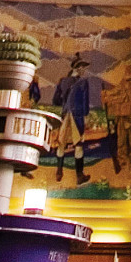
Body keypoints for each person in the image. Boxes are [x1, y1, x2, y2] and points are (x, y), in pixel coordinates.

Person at [51, 53, 91, 184]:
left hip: (65, 114)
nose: (83, 69)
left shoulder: (63, 81)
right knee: (78, 145)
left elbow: (55, 100)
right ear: (77, 68)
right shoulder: (83, 82)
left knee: (61, 144)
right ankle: (79, 176)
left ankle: (59, 171)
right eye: (82, 67)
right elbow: (85, 102)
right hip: (77, 116)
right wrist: (85, 116)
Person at [105, 58, 131, 180]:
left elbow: (126, 97)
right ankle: (122, 162)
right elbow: (118, 90)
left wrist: (111, 100)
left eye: (128, 67)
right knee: (121, 141)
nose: (126, 69)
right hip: (121, 117)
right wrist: (108, 93)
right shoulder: (124, 80)